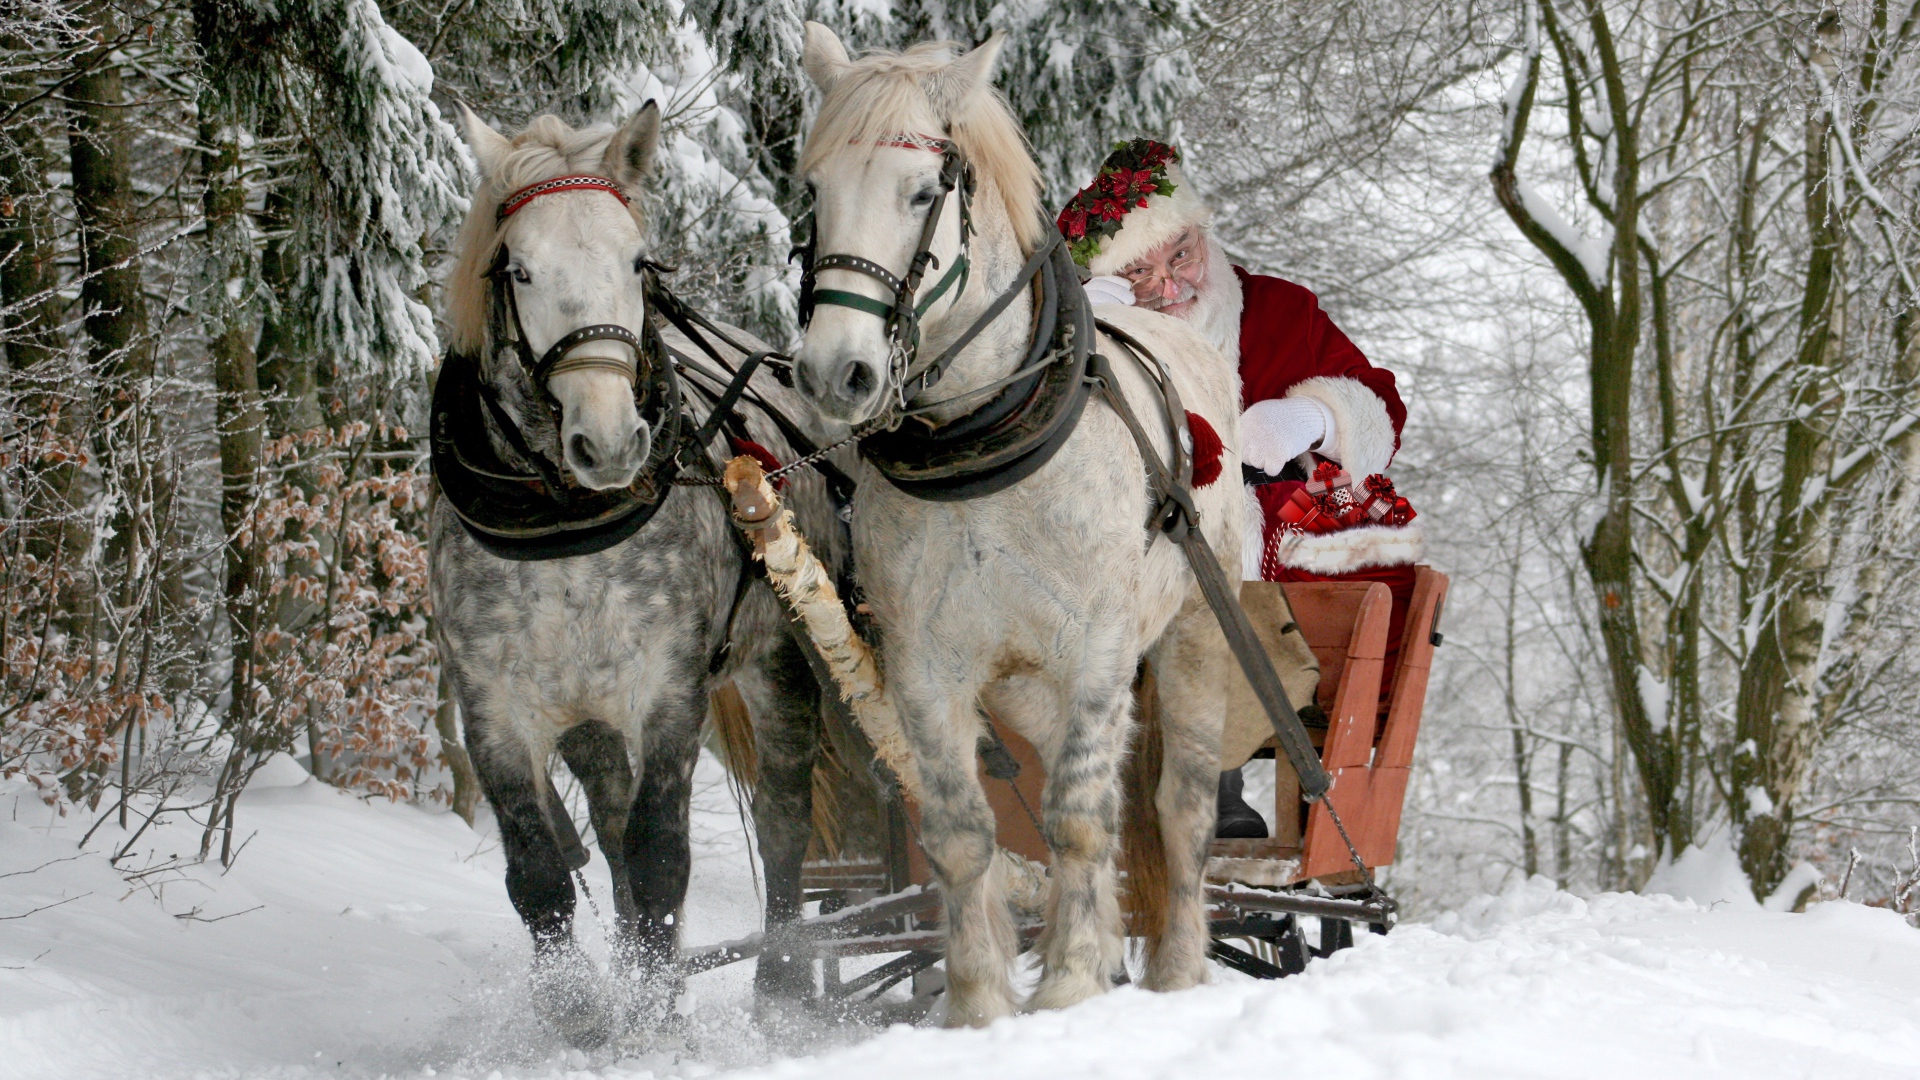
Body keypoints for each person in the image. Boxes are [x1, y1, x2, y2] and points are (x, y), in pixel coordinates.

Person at [1057, 140, 1422, 838]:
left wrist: (1314, 418)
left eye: (1181, 257)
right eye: (1138, 271)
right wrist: (1088, 330)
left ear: (1204, 234)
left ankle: (1213, 785)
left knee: (1210, 590)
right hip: (1105, 556)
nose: (1169, 287)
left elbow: (1380, 407)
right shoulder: (1083, 327)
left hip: (1252, 569)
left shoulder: (1277, 310)